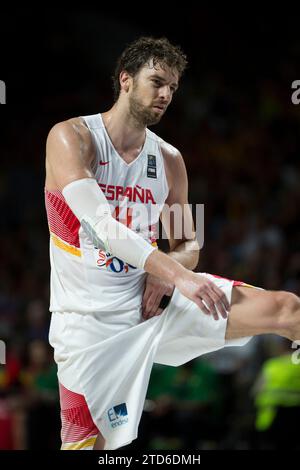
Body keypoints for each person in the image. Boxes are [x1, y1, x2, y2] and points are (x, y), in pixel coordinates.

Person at [44, 36, 300, 450]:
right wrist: (174, 272)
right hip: (89, 325)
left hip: (154, 307)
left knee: (287, 308)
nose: (165, 94)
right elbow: (100, 226)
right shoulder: (71, 137)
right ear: (125, 80)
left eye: (173, 88)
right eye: (157, 81)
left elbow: (188, 244)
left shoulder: (170, 160)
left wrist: (169, 273)